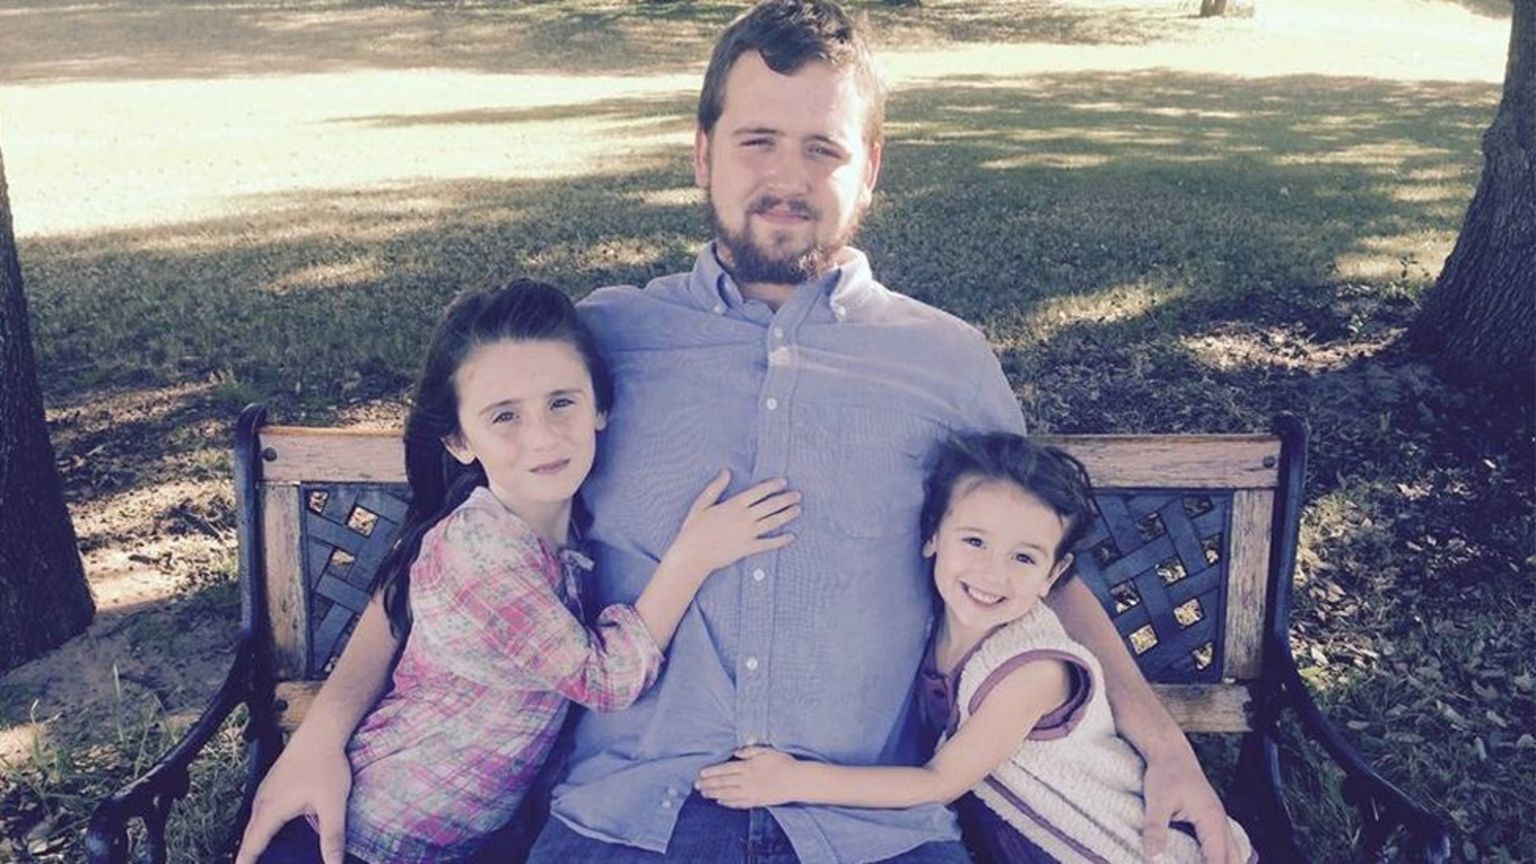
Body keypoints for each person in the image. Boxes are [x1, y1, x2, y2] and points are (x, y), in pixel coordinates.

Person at [236, 2, 1243, 863]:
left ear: (869, 167)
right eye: (758, 140)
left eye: (823, 149)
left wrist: (1168, 750)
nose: (787, 178)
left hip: (869, 825)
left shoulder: (946, 362)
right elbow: (453, 549)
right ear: (703, 153)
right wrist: (323, 732)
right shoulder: (603, 346)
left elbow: (1045, 572)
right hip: (629, 817)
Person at [252, 280, 801, 864]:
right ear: (459, 440)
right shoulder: (483, 548)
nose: (542, 437)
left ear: (600, 407)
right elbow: (605, 681)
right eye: (505, 416)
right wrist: (693, 557)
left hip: (449, 847)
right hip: (356, 840)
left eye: (561, 402)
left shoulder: (556, 531)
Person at [694, 433, 1258, 864]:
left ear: (1052, 574)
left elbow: (938, 781)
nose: (993, 573)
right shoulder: (931, 625)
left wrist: (794, 779)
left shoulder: (1029, 673)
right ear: (932, 536)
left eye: (1024, 557)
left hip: (1116, 845)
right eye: (974, 541)